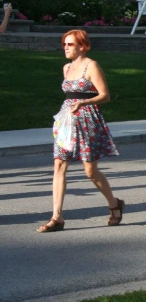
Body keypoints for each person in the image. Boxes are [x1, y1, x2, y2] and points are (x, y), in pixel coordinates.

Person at [37, 30, 124, 233]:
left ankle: (114, 204)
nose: (65, 47)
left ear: (82, 47)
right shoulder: (66, 67)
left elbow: (105, 96)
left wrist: (83, 102)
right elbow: (69, 95)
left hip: (87, 120)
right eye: (64, 44)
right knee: (59, 165)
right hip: (66, 120)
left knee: (90, 171)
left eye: (70, 44)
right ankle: (57, 217)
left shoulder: (91, 65)